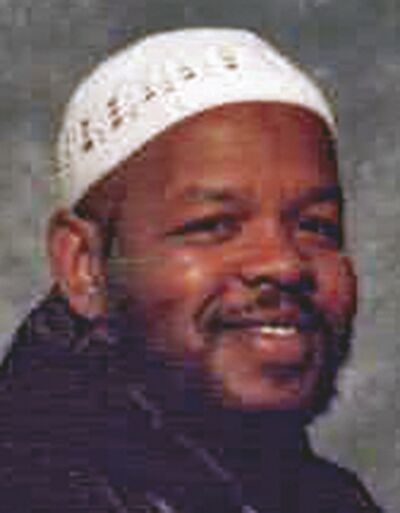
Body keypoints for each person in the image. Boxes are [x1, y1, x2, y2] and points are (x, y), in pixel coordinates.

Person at [0, 28, 382, 512]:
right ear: (84, 265)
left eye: (317, 227)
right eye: (213, 225)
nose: (285, 263)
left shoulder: (330, 499)